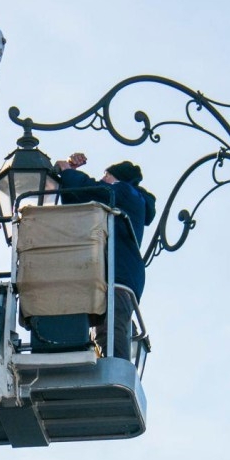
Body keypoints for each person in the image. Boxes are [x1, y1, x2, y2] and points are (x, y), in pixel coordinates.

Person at [55, 154, 156, 360]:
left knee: (111, 327)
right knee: (106, 325)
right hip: (122, 274)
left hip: (118, 275)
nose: (102, 179)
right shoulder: (132, 197)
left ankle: (114, 368)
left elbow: (90, 190)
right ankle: (108, 362)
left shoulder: (125, 191)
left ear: (113, 177)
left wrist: (66, 170)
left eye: (105, 176)